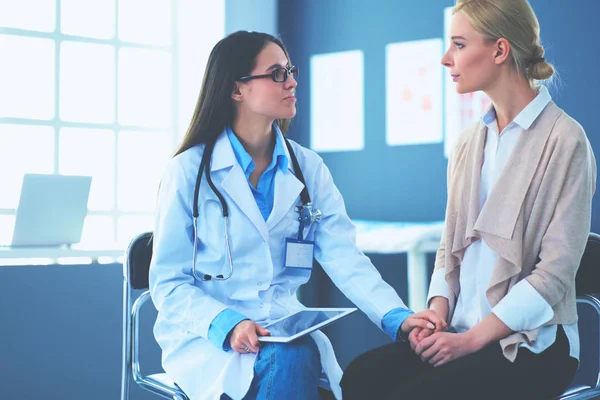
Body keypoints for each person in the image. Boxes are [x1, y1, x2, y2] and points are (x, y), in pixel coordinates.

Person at [148, 30, 444, 400]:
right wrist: (227, 323)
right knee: (294, 358)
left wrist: (397, 317)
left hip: (282, 327)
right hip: (207, 338)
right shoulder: (189, 172)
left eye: (290, 70)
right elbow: (169, 284)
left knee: (300, 357)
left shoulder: (308, 168)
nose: (291, 82)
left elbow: (344, 257)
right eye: (276, 73)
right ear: (236, 89)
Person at [341, 0, 596, 399]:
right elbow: (450, 248)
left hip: (530, 345)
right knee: (360, 378)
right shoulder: (468, 143)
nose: (446, 59)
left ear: (499, 50)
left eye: (459, 44)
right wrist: (438, 316)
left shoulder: (565, 141)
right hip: (460, 331)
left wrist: (473, 340)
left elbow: (554, 274)